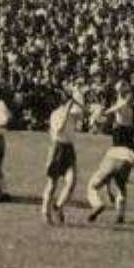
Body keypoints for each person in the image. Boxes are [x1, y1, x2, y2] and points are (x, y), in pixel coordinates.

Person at [85, 145, 134, 225]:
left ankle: (97, 204)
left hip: (111, 158)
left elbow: (106, 175)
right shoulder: (132, 154)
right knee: (121, 189)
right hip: (126, 161)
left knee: (92, 187)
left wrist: (109, 193)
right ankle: (120, 216)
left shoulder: (111, 150)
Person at [41, 84, 86, 225]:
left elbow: (84, 112)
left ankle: (58, 206)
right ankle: (45, 212)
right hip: (57, 148)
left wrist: (78, 94)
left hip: (69, 148)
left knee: (71, 182)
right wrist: (67, 111)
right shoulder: (55, 114)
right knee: (52, 184)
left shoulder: (73, 114)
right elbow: (59, 128)